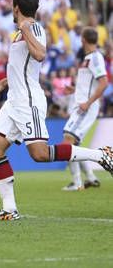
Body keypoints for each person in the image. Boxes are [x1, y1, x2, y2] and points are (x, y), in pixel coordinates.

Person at [0, 0, 113, 221]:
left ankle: (100, 155)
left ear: (16, 8)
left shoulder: (33, 28)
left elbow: (40, 55)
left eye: (12, 8)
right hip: (13, 99)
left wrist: (25, 29)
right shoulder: (19, 33)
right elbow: (23, 68)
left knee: (40, 154)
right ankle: (9, 209)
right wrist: (3, 83)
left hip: (28, 101)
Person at [61, 28, 108, 191]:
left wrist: (88, 102)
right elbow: (90, 84)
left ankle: (76, 182)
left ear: (83, 40)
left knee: (67, 140)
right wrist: (74, 89)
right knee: (75, 145)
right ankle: (91, 178)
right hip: (80, 104)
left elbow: (104, 82)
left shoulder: (95, 57)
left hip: (85, 107)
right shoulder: (87, 59)